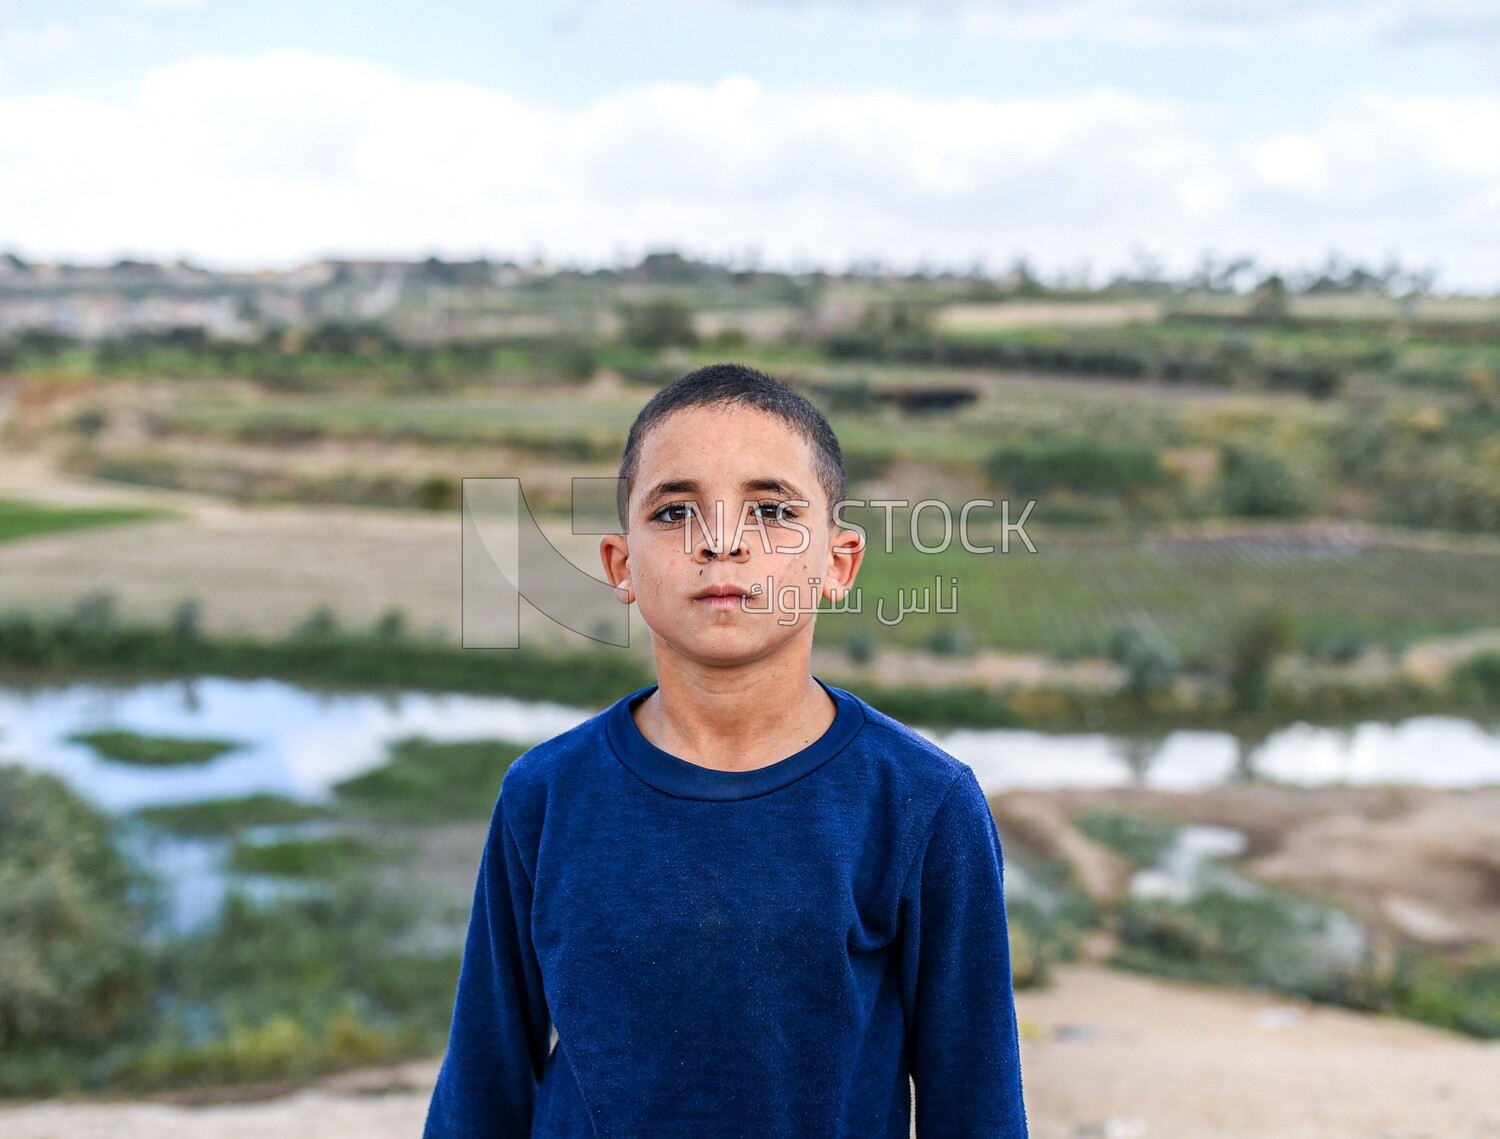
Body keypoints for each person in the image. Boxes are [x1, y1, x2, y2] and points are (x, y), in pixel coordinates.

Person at [423, 363, 1030, 1138]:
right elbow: (482, 1083)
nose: (720, 541)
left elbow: (975, 1104)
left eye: (772, 509)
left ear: (838, 563)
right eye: (676, 512)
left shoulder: (921, 803)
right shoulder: (545, 794)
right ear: (621, 566)